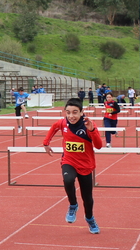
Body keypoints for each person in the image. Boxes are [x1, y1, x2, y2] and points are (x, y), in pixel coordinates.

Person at [42, 98, 103, 234]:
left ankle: (90, 218)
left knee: (87, 198)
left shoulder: (89, 125)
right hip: (69, 160)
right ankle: (73, 205)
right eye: (68, 112)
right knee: (68, 180)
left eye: (75, 112)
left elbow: (99, 146)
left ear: (82, 112)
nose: (71, 116)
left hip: (86, 165)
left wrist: (92, 130)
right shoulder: (63, 122)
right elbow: (54, 127)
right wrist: (46, 142)